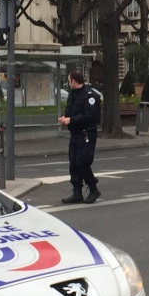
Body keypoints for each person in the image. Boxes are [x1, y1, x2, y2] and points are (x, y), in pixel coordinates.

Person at [58, 69, 102, 204]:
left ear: (73, 81)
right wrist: (65, 118)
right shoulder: (73, 95)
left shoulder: (90, 96)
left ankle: (93, 189)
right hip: (75, 134)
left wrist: (71, 120)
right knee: (73, 164)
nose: (68, 83)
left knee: (82, 162)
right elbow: (70, 110)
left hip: (87, 134)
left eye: (69, 80)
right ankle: (77, 192)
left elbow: (89, 116)